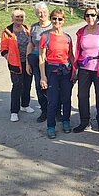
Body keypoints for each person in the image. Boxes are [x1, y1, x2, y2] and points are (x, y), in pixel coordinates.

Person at [73, 7, 99, 133]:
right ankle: (84, 121)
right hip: (84, 68)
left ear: (97, 17)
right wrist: (75, 69)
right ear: (84, 17)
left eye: (93, 15)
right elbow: (78, 51)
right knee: (82, 96)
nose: (90, 18)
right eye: (87, 15)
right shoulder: (81, 32)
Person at [39, 9, 74, 139]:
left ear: (63, 20)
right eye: (54, 18)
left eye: (60, 19)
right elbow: (42, 58)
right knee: (52, 101)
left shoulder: (67, 38)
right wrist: (43, 77)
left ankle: (66, 121)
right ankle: (51, 126)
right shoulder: (45, 36)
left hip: (66, 71)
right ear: (51, 19)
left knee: (66, 98)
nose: (57, 21)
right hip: (52, 71)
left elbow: (71, 56)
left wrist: (74, 72)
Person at [0, 7, 34, 122]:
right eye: (17, 17)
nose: (20, 19)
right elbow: (3, 49)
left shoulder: (27, 28)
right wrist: (8, 58)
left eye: (21, 17)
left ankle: (25, 105)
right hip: (15, 63)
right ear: (12, 18)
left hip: (28, 62)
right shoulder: (7, 31)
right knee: (17, 86)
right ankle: (14, 111)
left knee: (27, 84)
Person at [26, 2, 52, 123]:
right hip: (36, 61)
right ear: (36, 14)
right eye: (39, 12)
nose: (42, 14)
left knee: (52, 87)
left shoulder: (53, 25)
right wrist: (27, 62)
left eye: (44, 12)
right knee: (39, 86)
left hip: (51, 61)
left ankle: (55, 110)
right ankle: (44, 111)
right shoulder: (34, 27)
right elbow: (30, 44)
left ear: (48, 11)